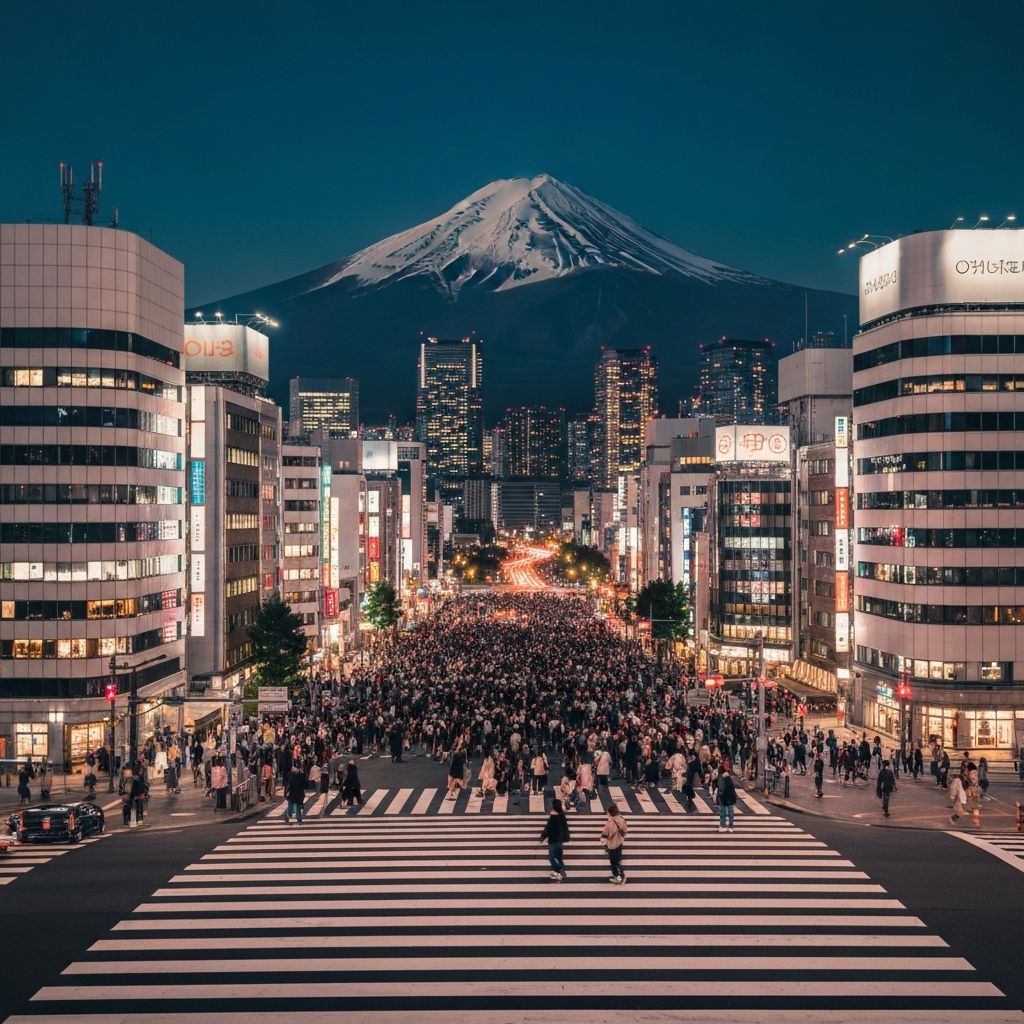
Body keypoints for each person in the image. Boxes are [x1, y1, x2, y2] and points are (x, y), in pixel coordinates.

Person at [539, 798, 571, 881]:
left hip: (553, 840)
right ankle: (562, 871)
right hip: (560, 840)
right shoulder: (562, 815)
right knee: (559, 857)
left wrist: (543, 837)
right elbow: (565, 828)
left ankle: (558, 870)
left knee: (551, 857)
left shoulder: (553, 816)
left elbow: (548, 828)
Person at [600, 803, 628, 884]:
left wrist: (603, 844)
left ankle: (618, 877)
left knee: (613, 862)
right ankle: (621, 875)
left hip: (612, 844)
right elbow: (625, 829)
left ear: (610, 813)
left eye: (608, 812)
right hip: (619, 842)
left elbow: (606, 835)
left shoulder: (610, 823)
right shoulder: (621, 819)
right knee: (618, 860)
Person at [717, 767, 738, 832]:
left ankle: (723, 826)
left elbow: (721, 791)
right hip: (730, 800)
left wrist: (719, 799)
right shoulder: (730, 782)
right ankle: (731, 826)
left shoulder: (722, 781)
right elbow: (733, 793)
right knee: (730, 813)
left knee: (723, 813)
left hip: (723, 799)